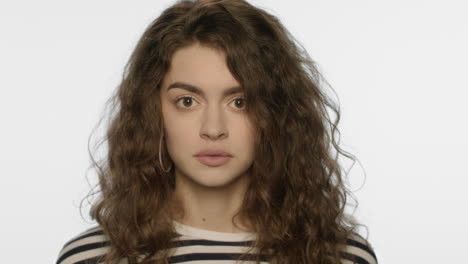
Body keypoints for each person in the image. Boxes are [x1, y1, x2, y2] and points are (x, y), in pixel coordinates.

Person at [56, 0, 378, 263]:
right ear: (153, 111)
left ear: (277, 113)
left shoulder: (340, 257)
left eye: (240, 102)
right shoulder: (93, 258)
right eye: (187, 101)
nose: (213, 129)